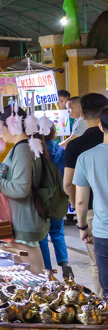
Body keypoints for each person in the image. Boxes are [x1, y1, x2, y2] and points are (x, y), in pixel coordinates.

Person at [0, 106, 49, 274]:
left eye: (0, 128)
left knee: (34, 276)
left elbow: (20, 189)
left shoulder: (23, 149)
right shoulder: (23, 147)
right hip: (24, 219)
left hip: (25, 220)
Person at [64, 92, 108, 296]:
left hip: (97, 221)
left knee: (99, 267)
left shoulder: (80, 151)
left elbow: (72, 190)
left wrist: (81, 223)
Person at [41, 130, 71, 278]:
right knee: (57, 232)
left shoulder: (37, 152)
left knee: (42, 236)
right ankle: (65, 263)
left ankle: (48, 271)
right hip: (59, 196)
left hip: (42, 198)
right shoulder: (61, 151)